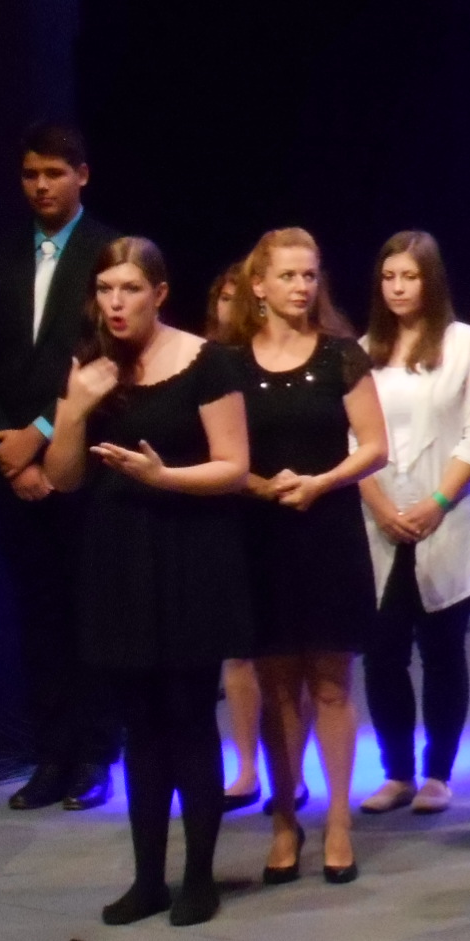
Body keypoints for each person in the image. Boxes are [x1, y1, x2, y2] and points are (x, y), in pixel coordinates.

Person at [44, 238, 250, 925]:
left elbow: (233, 466)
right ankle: (147, 879)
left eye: (129, 289)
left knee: (187, 715)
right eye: (105, 289)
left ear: (158, 294)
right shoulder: (90, 367)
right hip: (119, 558)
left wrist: (164, 476)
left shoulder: (206, 361)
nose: (115, 303)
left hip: (190, 553)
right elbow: (62, 478)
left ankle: (199, 877)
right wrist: (74, 410)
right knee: (140, 723)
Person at [0, 122, 122, 813]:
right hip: (11, 466)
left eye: (54, 173)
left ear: (82, 174)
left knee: (89, 608)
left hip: (81, 460)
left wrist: (44, 434)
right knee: (38, 612)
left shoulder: (109, 253)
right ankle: (50, 754)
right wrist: (7, 447)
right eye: (31, 174)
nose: (42, 186)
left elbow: (109, 359)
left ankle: (96, 753)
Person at [230, 228, 388, 886]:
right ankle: (284, 819)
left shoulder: (341, 355)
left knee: (330, 682)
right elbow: (219, 453)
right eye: (289, 276)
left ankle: (339, 821)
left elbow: (374, 446)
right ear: (258, 285)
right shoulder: (231, 363)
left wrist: (321, 482)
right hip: (262, 533)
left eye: (310, 275)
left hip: (328, 529)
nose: (301, 287)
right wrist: (260, 485)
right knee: (277, 687)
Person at [356, 232, 470, 817]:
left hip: (444, 518)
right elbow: (352, 440)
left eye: (409, 277)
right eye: (389, 278)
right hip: (379, 520)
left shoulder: (465, 344)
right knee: (382, 653)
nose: (398, 288)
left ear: (430, 281)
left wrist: (437, 501)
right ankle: (396, 772)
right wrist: (384, 507)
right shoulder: (364, 351)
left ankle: (437, 773)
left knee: (442, 651)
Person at [206, 264, 269, 813]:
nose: (229, 309)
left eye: (238, 298)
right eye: (222, 298)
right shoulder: (207, 362)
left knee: (290, 656)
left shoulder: (275, 359)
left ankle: (290, 769)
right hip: (231, 515)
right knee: (239, 652)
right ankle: (247, 767)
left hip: (289, 507)